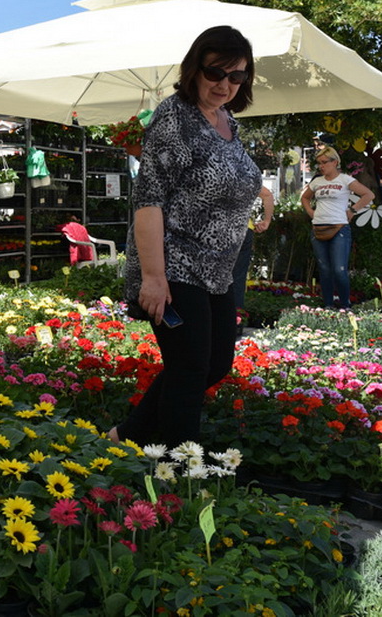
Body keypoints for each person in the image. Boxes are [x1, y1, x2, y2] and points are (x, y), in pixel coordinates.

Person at [109, 25, 262, 449]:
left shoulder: (227, 120)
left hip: (217, 269)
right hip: (175, 262)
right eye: (217, 73)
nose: (226, 85)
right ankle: (180, 471)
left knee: (214, 364)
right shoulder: (175, 117)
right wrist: (154, 279)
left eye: (238, 76)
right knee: (190, 367)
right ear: (196, 67)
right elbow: (148, 201)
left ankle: (126, 435)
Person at [301, 146, 374, 310]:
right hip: (318, 228)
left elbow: (368, 194)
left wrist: (353, 210)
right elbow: (305, 198)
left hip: (339, 227)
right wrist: (311, 212)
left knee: (339, 269)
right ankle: (328, 305)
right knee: (324, 269)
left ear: (335, 162)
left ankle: (345, 305)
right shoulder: (317, 182)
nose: (321, 166)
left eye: (324, 162)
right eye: (319, 163)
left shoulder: (345, 180)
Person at [231, 186, 275, 334]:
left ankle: (214, 321)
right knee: (237, 278)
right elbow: (267, 195)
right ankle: (235, 322)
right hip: (245, 229)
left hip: (219, 229)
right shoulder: (247, 173)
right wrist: (266, 220)